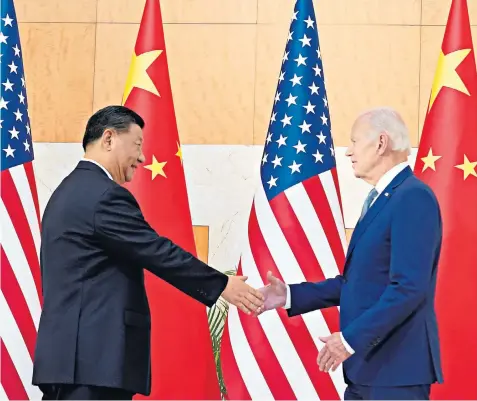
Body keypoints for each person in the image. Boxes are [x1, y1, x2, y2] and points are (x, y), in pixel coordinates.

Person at [32, 105, 264, 400]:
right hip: (93, 363)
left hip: (71, 360)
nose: (142, 157)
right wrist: (222, 285)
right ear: (108, 139)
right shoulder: (104, 196)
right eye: (137, 145)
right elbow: (157, 251)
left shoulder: (67, 191)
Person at [258, 107, 443, 400]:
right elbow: (356, 283)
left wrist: (349, 340)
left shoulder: (412, 197)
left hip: (395, 372)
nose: (348, 152)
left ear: (381, 143)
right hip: (368, 371)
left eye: (354, 142)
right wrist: (289, 295)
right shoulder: (385, 198)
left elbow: (408, 287)